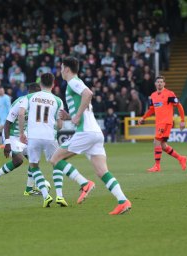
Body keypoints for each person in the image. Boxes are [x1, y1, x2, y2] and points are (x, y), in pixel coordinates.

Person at [50, 56, 131, 215]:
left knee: (55, 159)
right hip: (95, 133)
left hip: (86, 132)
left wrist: (77, 116)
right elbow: (84, 101)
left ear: (66, 69)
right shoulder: (75, 82)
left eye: (61, 68)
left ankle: (84, 183)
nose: (60, 71)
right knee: (102, 172)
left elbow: (88, 94)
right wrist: (70, 116)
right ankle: (123, 201)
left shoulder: (73, 81)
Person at [18, 73, 65, 208]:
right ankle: (60, 196)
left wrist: (22, 133)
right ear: (53, 84)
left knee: (34, 165)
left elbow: (21, 113)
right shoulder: (57, 100)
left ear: (40, 83)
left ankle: (46, 195)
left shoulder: (29, 97)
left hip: (33, 136)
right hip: (50, 136)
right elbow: (60, 125)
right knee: (56, 163)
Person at [0, 83, 42, 195]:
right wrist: (7, 143)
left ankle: (29, 189)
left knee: (34, 158)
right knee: (18, 160)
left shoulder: (36, 104)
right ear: (32, 92)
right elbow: (7, 123)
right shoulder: (20, 103)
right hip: (11, 134)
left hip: (23, 135)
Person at [138, 76, 187, 172]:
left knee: (156, 142)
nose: (159, 83)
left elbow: (179, 106)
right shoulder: (153, 96)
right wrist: (143, 118)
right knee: (163, 145)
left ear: (164, 83)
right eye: (158, 82)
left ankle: (157, 166)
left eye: (161, 82)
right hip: (159, 123)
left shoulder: (169, 94)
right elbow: (151, 109)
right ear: (155, 84)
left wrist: (182, 120)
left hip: (166, 122)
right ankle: (181, 158)